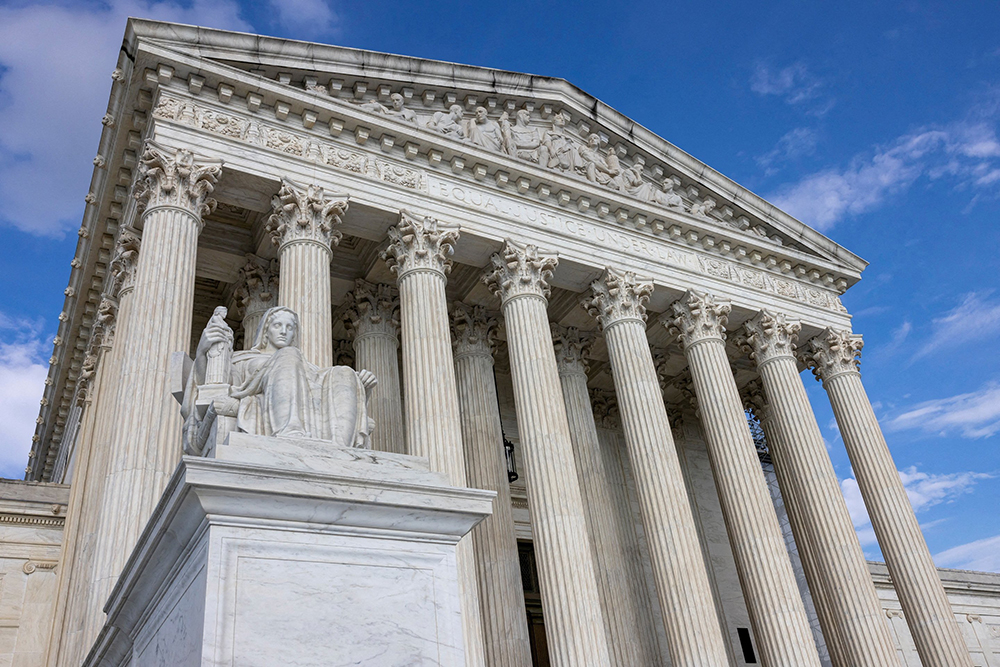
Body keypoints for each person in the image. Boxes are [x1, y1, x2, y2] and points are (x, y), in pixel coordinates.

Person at [184, 306, 376, 449]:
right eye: (277, 325)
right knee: (288, 355)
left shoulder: (306, 367)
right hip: (261, 402)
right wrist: (202, 353)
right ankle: (289, 432)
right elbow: (212, 388)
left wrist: (362, 389)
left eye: (290, 327)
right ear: (266, 330)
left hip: (311, 416)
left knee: (344, 371)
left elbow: (323, 397)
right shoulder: (242, 359)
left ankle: (339, 449)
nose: (284, 331)